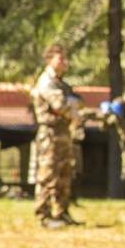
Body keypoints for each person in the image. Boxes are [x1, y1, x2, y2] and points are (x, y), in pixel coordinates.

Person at [30, 44, 82, 228]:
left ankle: (61, 213)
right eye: (61, 58)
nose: (65, 62)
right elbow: (60, 105)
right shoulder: (46, 81)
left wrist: (71, 105)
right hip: (50, 134)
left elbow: (79, 101)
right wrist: (72, 109)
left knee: (64, 175)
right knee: (47, 175)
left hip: (63, 133)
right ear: (49, 60)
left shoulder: (62, 83)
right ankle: (43, 217)